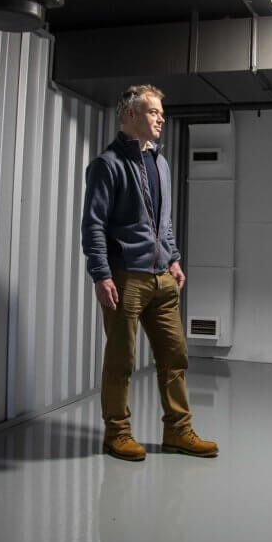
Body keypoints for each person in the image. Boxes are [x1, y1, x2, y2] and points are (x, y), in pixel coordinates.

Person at [82, 84, 217, 461]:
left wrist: (172, 257)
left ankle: (178, 431)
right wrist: (101, 274)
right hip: (126, 277)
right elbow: (93, 225)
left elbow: (163, 221)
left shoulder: (160, 162)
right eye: (154, 112)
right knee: (121, 361)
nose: (161, 118)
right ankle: (117, 434)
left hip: (162, 278)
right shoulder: (107, 165)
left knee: (175, 357)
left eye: (161, 113)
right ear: (131, 115)